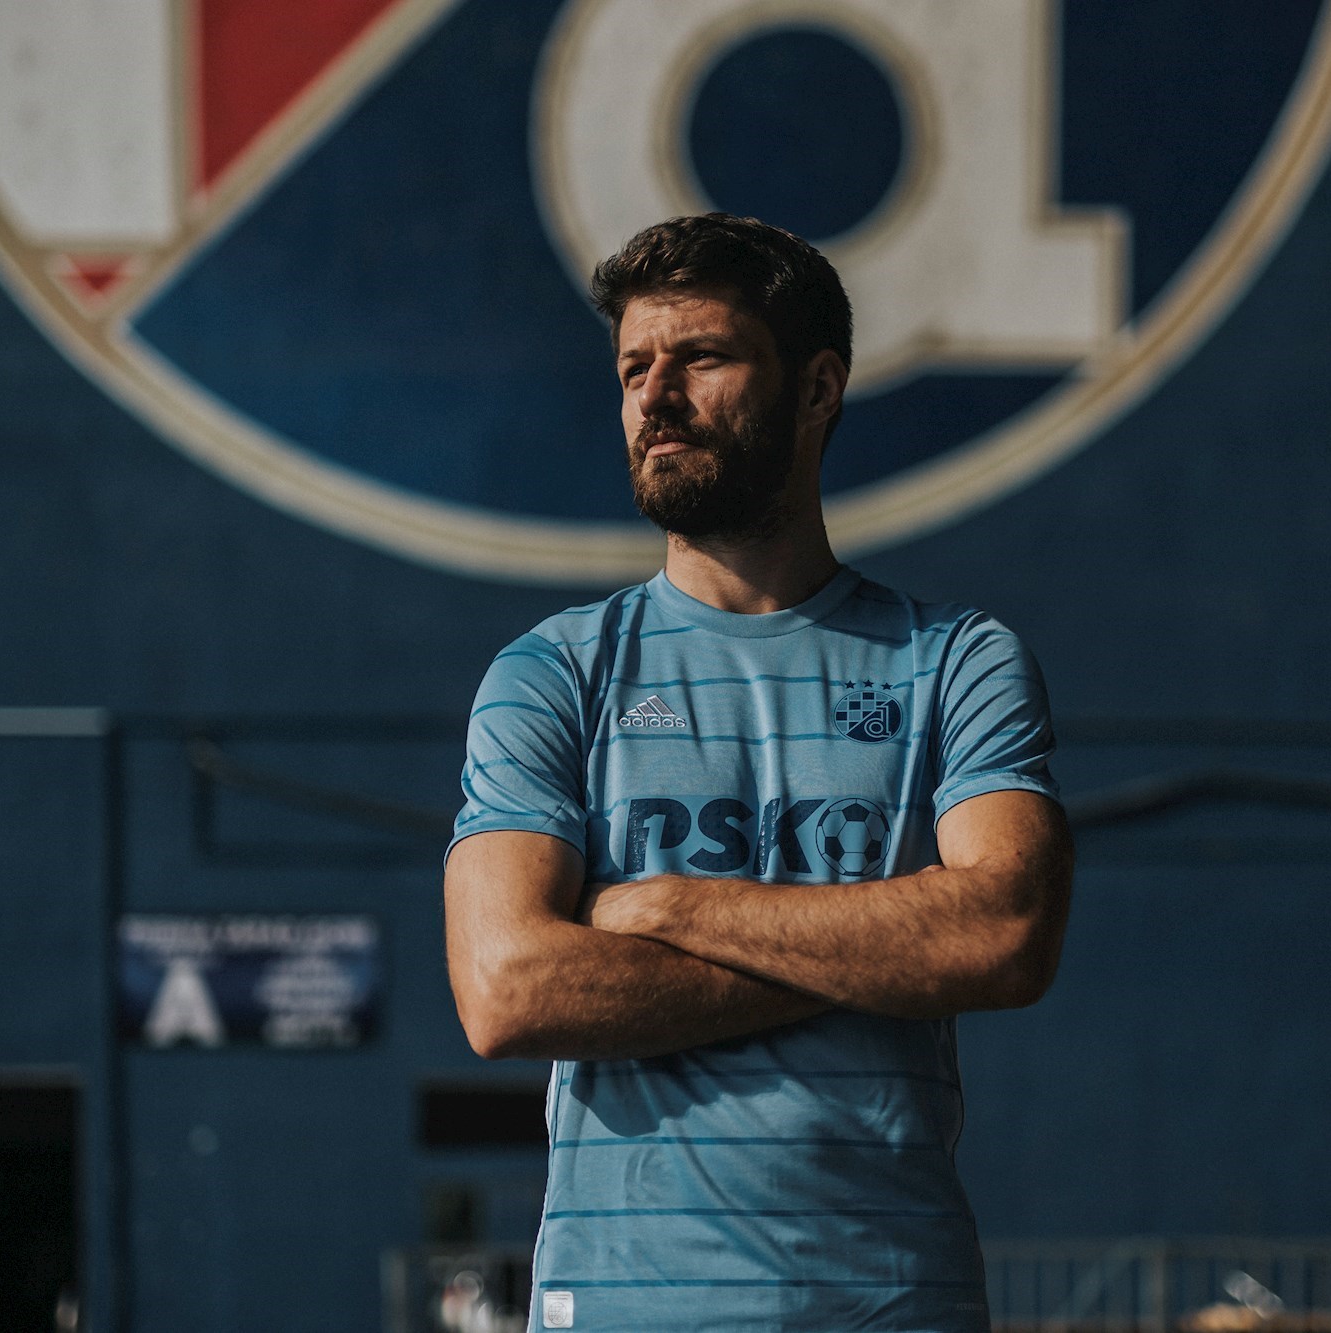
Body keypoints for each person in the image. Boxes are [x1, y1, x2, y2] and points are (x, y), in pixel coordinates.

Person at [444, 213, 1074, 1333]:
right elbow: (508, 991)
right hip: (626, 1311)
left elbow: (1003, 935)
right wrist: (880, 947)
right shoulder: (552, 673)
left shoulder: (956, 661)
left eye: (701, 357)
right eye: (633, 368)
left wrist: (674, 909)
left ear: (818, 387)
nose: (655, 396)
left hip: (891, 1305)